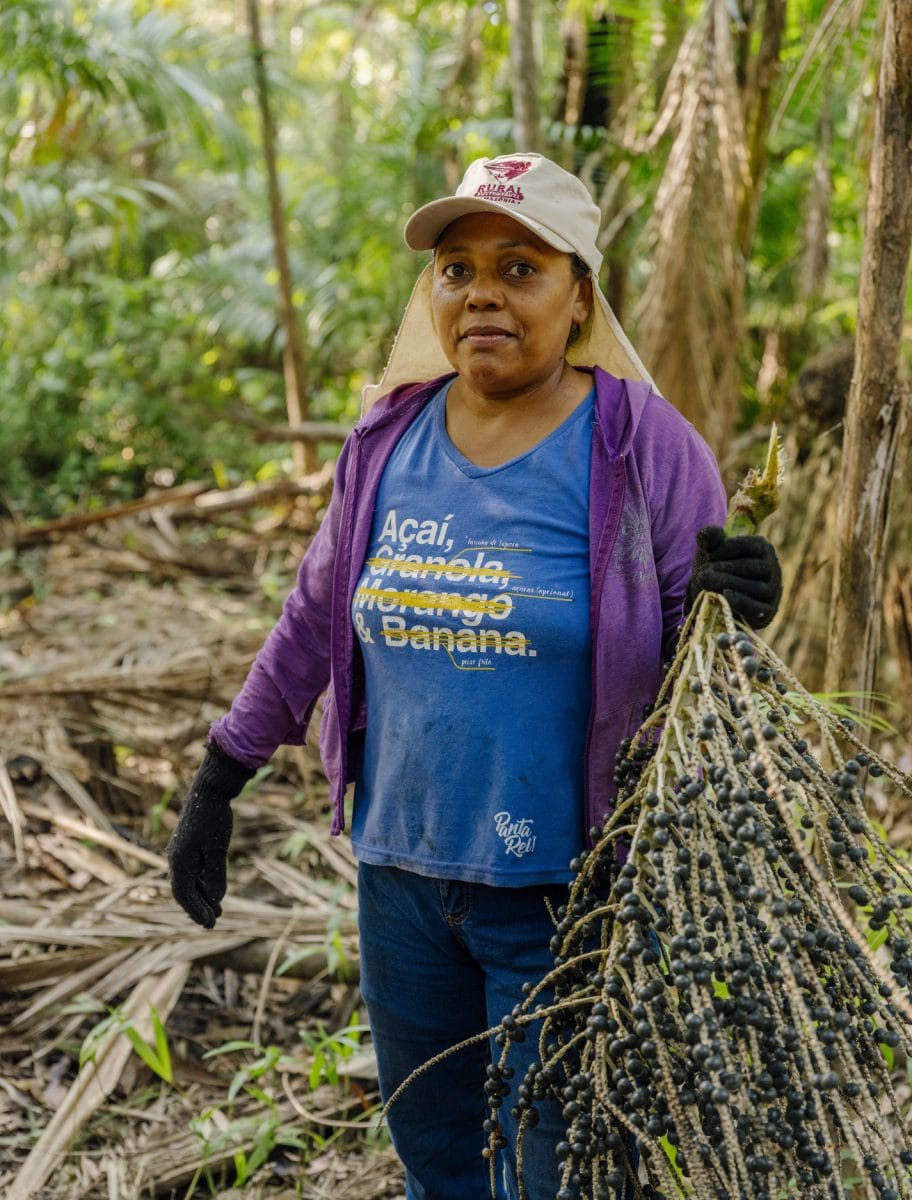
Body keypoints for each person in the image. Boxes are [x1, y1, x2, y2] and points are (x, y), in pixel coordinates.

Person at [166, 153, 782, 1200]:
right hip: (401, 878)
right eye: (456, 268)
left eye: (519, 266)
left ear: (580, 292)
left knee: (548, 1177)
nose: (481, 291)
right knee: (438, 1163)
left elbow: (703, 664)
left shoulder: (643, 451)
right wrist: (221, 774)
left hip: (563, 890)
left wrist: (747, 614)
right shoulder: (387, 437)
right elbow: (315, 617)